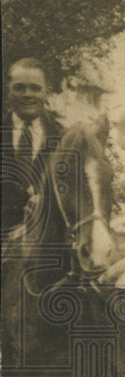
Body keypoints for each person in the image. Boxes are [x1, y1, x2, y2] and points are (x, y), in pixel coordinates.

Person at [2, 58, 64, 243]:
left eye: (35, 88)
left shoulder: (65, 140)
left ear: (47, 93)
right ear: (8, 91)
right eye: (19, 87)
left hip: (47, 252)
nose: (27, 94)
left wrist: (44, 204)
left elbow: (75, 197)